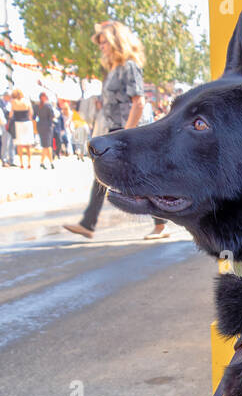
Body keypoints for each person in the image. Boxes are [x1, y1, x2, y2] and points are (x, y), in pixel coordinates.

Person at [64, 21, 166, 241]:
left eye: (104, 42)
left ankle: (161, 223)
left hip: (128, 131)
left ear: (115, 42)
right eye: (100, 43)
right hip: (115, 130)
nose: (101, 47)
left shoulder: (129, 66)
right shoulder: (112, 71)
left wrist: (127, 136)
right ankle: (88, 223)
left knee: (142, 178)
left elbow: (138, 103)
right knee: (102, 176)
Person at [8, 88, 33, 169]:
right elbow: (31, 113)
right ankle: (29, 163)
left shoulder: (13, 102)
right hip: (27, 123)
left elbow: (11, 114)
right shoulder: (27, 101)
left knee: (19, 144)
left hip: (18, 123)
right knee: (28, 144)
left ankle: (21, 163)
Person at [35, 91, 55, 169]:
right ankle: (50, 162)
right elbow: (52, 116)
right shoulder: (48, 105)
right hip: (47, 126)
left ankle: (44, 162)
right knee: (47, 145)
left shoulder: (37, 106)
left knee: (46, 146)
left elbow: (34, 116)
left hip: (40, 126)